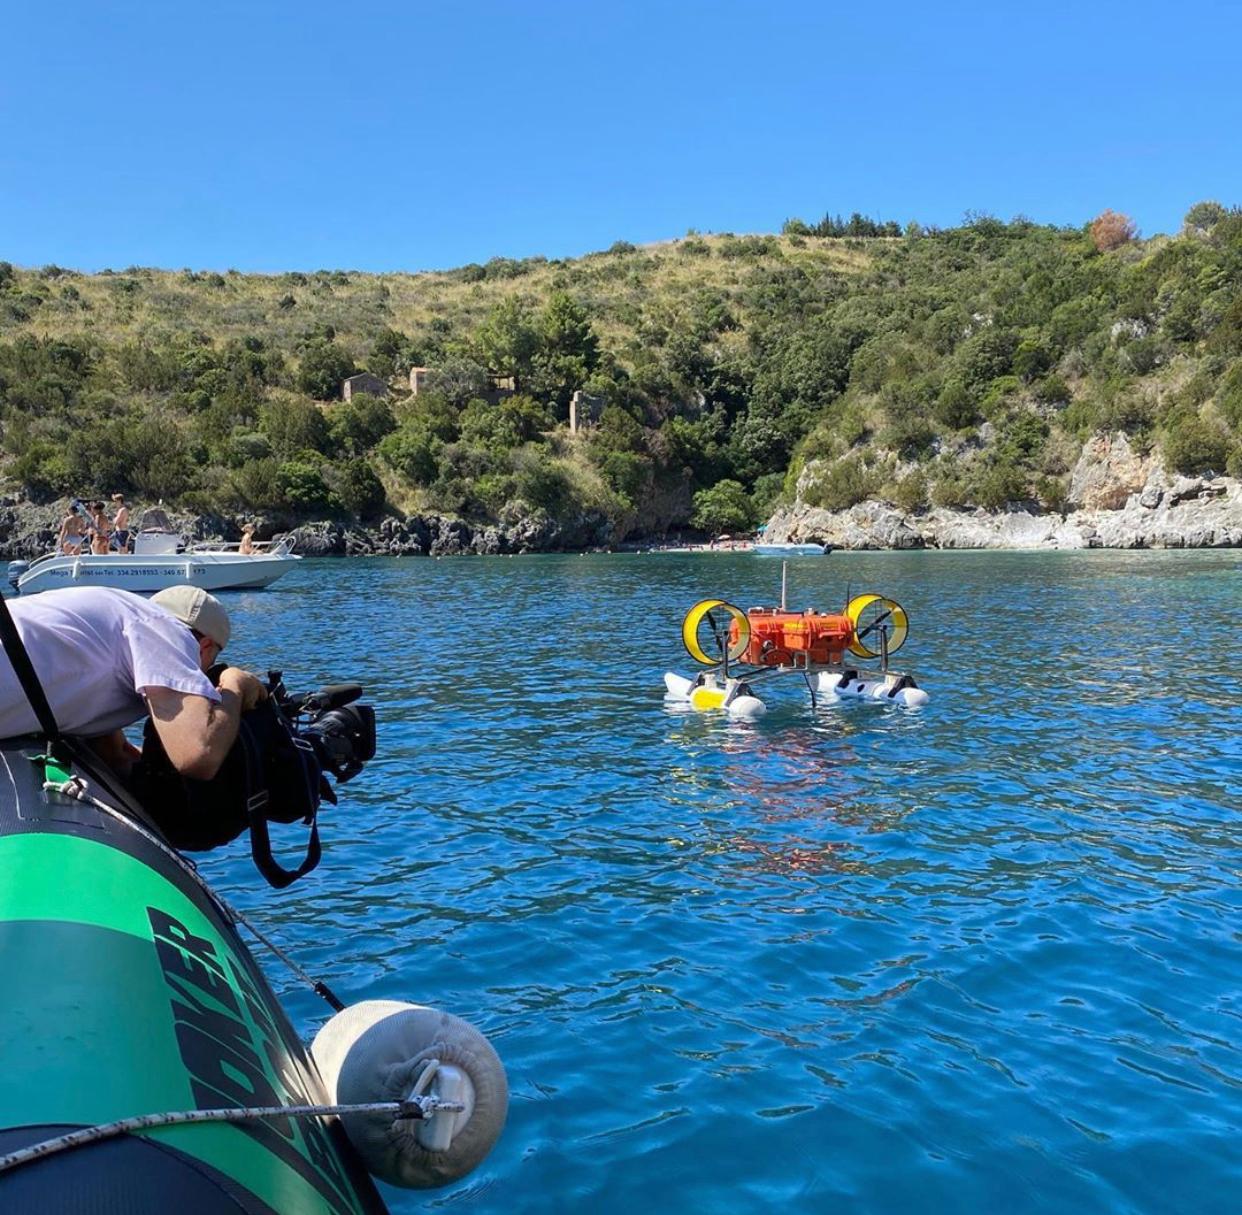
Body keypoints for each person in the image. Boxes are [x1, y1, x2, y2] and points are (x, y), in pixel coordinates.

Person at [0, 585, 266, 781]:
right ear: (204, 646)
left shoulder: (111, 625)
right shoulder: (164, 630)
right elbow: (198, 756)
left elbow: (115, 755)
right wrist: (236, 683)